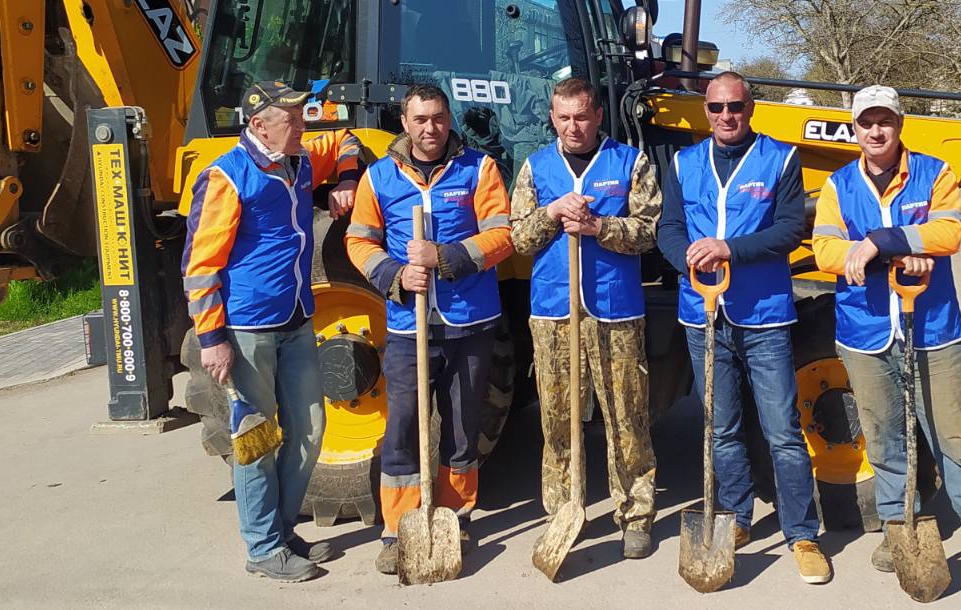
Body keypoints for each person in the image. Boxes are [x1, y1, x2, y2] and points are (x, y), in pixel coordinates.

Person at [810, 85, 961, 592]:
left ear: (899, 125)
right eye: (866, 123)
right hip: (865, 333)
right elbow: (824, 251)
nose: (875, 131)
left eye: (884, 121)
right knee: (885, 441)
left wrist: (879, 241)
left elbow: (948, 233)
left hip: (933, 331)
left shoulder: (935, 173)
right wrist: (889, 253)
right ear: (854, 129)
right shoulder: (839, 185)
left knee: (957, 440)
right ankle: (899, 526)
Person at [182, 80, 365, 582]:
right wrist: (211, 338)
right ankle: (263, 547)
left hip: (297, 319)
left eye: (302, 118)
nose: (302, 127)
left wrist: (347, 176)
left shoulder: (298, 160)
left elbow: (345, 138)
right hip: (247, 330)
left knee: (310, 429)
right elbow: (200, 266)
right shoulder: (226, 176)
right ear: (259, 125)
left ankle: (283, 532)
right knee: (256, 439)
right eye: (292, 120)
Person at [656, 71, 833, 585]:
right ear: (705, 112)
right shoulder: (685, 163)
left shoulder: (780, 158)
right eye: (716, 107)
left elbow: (788, 230)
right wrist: (687, 258)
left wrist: (728, 249)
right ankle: (736, 517)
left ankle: (802, 534)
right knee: (721, 428)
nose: (726, 116)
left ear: (750, 108)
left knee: (783, 432)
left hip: (764, 317)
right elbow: (669, 227)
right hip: (703, 314)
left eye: (735, 106)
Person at [342, 84, 513, 576]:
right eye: (420, 119)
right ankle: (398, 529)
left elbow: (503, 234)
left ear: (448, 119)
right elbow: (358, 241)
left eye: (438, 118)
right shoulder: (380, 176)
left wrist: (446, 256)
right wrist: (396, 276)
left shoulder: (478, 169)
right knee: (402, 427)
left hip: (469, 321)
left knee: (462, 427)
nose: (430, 128)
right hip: (406, 326)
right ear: (405, 122)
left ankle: (455, 516)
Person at [509, 77, 660, 559]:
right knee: (558, 419)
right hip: (553, 311)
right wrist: (553, 212)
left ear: (597, 116)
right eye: (563, 117)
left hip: (616, 311)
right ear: (553, 118)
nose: (573, 126)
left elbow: (650, 231)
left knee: (626, 417)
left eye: (581, 117)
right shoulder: (536, 167)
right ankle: (563, 510)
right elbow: (519, 239)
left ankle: (635, 513)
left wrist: (598, 227)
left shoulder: (629, 162)